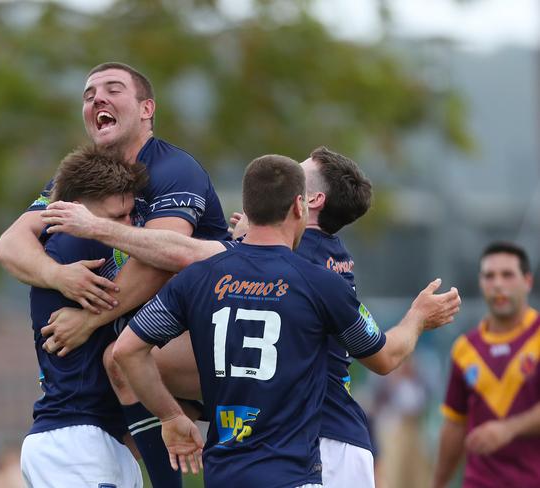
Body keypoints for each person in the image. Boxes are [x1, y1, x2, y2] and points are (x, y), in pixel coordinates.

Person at [42, 146, 458, 487]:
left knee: (126, 360)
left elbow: (184, 256)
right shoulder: (323, 264)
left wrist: (98, 229)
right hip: (300, 460)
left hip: (320, 447)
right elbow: (383, 356)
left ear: (306, 202)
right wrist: (417, 318)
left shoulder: (273, 266)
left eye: (299, 171)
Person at [0, 62, 229, 487]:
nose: (97, 99)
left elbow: (165, 256)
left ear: (146, 109)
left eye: (113, 89)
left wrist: (90, 318)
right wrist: (58, 275)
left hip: (214, 330)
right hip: (80, 430)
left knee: (121, 359)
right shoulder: (85, 184)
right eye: (88, 94)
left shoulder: (175, 169)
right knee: (122, 379)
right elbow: (8, 245)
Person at [21, 144, 146, 488]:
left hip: (91, 439)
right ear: (75, 212)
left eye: (130, 215)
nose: (127, 227)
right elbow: (159, 271)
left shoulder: (88, 241)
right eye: (114, 218)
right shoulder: (77, 242)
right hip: (77, 441)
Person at [433, 242, 540, 488]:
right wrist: (437, 483)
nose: (498, 284)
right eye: (490, 276)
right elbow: (455, 425)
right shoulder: (465, 349)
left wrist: (509, 429)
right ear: (481, 283)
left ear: (528, 281)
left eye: (507, 275)